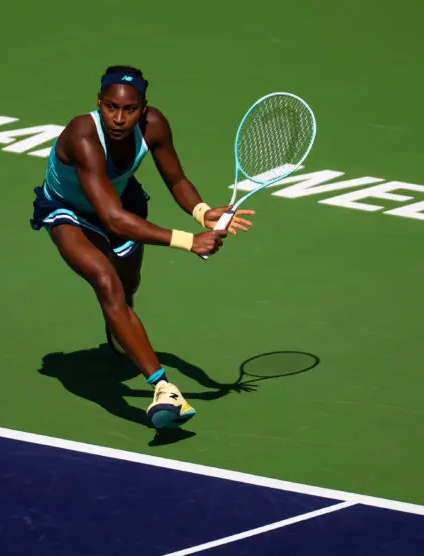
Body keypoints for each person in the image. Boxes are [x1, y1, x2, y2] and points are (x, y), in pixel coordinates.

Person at [29, 65, 255, 430]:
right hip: (68, 210)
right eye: (110, 107)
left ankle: (120, 318)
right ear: (98, 103)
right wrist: (188, 241)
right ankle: (164, 388)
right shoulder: (82, 134)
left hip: (122, 200)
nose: (119, 118)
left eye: (129, 109)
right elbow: (112, 219)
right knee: (106, 281)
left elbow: (176, 178)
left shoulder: (155, 126)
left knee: (127, 283)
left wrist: (202, 213)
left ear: (144, 108)